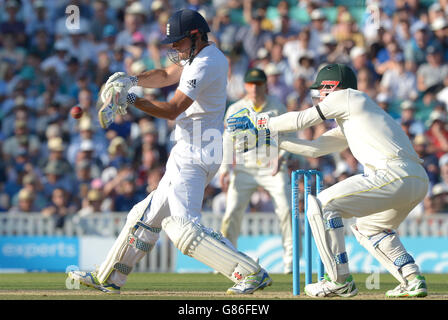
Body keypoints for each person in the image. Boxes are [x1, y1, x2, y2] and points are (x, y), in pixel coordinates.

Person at [69, 9, 271, 295]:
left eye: (177, 42)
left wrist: (129, 99)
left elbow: (173, 109)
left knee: (183, 227)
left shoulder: (206, 63)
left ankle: (250, 273)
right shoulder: (196, 57)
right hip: (192, 148)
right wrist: (131, 79)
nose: (173, 48)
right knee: (143, 217)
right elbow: (164, 74)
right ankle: (109, 278)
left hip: (197, 149)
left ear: (195, 36)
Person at [227, 63, 429, 298]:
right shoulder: (356, 115)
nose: (319, 97)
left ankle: (339, 280)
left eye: (320, 91)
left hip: (394, 174)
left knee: (320, 205)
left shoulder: (348, 97)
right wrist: (271, 138)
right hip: (415, 180)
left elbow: (302, 119)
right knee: (368, 228)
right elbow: (315, 149)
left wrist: (260, 123)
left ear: (331, 87)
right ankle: (411, 278)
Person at [220, 68, 293, 274]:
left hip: (273, 167)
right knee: (232, 211)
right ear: (245, 86)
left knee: (287, 209)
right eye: (251, 84)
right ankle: (225, 259)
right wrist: (225, 168)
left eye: (258, 84)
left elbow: (289, 138)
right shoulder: (235, 109)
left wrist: (282, 158)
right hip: (245, 168)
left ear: (265, 85)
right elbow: (227, 140)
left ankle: (291, 261)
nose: (254, 88)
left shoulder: (277, 107)